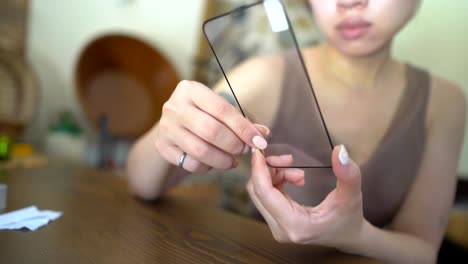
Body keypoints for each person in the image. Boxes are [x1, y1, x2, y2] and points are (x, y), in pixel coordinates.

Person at [126, 0, 466, 262]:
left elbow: (422, 251)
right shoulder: (263, 77)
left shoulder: (445, 102)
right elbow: (142, 182)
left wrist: (356, 234)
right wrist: (172, 128)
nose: (348, 2)